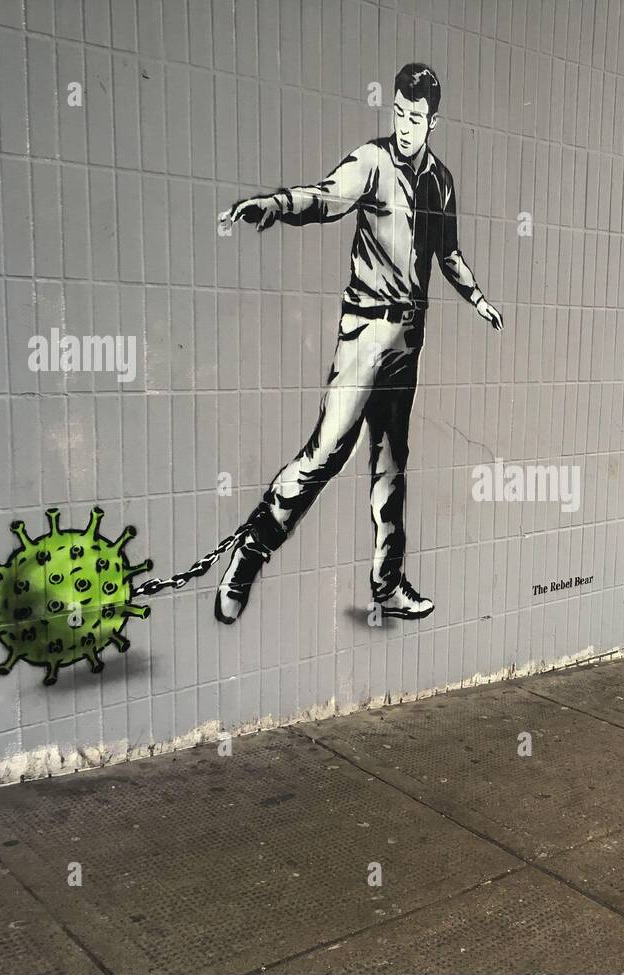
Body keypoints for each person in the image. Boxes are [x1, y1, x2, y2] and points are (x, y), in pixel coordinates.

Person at [214, 62, 503, 624]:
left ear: (432, 122)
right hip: (365, 332)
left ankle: (387, 583)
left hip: (407, 339)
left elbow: (448, 254)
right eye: (397, 113)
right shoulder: (371, 162)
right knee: (326, 453)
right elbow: (324, 198)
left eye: (415, 118)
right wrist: (275, 205)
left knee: (391, 465)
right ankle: (248, 555)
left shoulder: (440, 181)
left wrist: (477, 298)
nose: (404, 126)